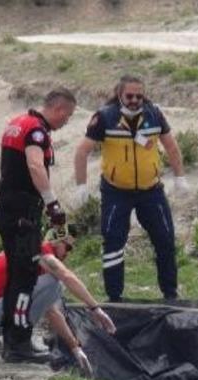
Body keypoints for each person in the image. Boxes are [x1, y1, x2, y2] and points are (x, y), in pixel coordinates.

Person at [72, 75, 189, 302]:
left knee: (165, 240)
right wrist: (81, 186)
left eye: (139, 95)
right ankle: (115, 297)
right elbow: (82, 151)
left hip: (151, 190)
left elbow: (171, 146)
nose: (135, 100)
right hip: (116, 192)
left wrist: (180, 177)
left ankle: (170, 294)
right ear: (119, 94)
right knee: (113, 242)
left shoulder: (154, 114)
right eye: (129, 96)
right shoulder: (105, 117)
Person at [0, 88, 76, 361]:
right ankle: (18, 344)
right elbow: (35, 166)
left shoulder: (17, 123)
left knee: (15, 275)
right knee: (25, 277)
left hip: (7, 208)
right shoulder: (36, 131)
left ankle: (11, 340)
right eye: (68, 116)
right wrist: (53, 204)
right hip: (22, 213)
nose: (66, 122)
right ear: (60, 110)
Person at [0, 234, 117, 373]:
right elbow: (67, 276)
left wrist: (75, 347)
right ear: (56, 241)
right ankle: (17, 347)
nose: (67, 254)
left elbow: (52, 312)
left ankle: (20, 342)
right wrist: (95, 308)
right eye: (67, 248)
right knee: (55, 282)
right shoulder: (40, 251)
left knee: (51, 286)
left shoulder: (33, 259)